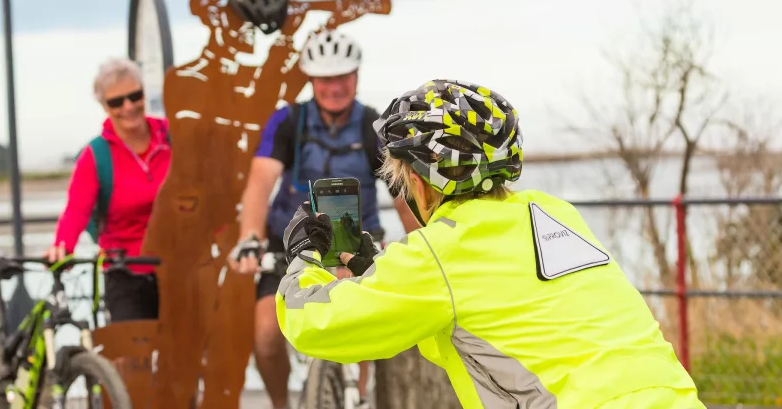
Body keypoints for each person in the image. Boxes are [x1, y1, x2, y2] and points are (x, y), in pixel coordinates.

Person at [275, 79, 706, 408]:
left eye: (400, 177)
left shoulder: (438, 253)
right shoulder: (556, 213)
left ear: (421, 184)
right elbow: (485, 315)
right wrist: (381, 274)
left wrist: (302, 257)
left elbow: (315, 323)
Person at [227, 29, 418, 409]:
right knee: (266, 333)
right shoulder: (287, 121)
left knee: (357, 325)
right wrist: (249, 236)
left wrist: (427, 244)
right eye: (325, 78)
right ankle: (282, 402)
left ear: (356, 76)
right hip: (291, 243)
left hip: (355, 242)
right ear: (312, 80)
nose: (335, 86)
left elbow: (403, 196)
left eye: (343, 76)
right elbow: (259, 183)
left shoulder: (373, 126)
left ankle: (357, 396)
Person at [46, 57, 170, 322]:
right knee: (132, 358)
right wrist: (62, 246)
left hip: (181, 266)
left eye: (135, 96)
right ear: (104, 106)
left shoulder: (174, 137)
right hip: (125, 270)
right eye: (116, 102)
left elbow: (206, 189)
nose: (128, 107)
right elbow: (77, 209)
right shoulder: (96, 155)